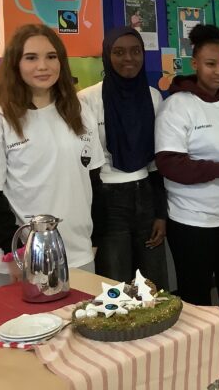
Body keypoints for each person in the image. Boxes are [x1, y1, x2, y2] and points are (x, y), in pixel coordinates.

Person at [0, 24, 104, 288]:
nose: (43, 66)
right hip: (18, 260)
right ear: (15, 63)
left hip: (77, 254)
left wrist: (94, 241)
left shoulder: (79, 111)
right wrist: (14, 252)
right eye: (31, 58)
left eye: (51, 57)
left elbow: (94, 180)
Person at [154, 24, 219, 386]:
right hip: (192, 222)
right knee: (197, 303)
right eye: (211, 64)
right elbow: (170, 164)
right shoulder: (177, 107)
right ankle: (202, 375)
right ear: (195, 64)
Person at [78, 27, 168, 289]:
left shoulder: (153, 96)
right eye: (119, 52)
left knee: (153, 286)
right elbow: (87, 165)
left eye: (135, 51)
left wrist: (160, 214)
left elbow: (157, 162)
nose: (129, 58)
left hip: (146, 196)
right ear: (107, 56)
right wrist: (95, 222)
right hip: (108, 200)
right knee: (115, 285)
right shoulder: (87, 99)